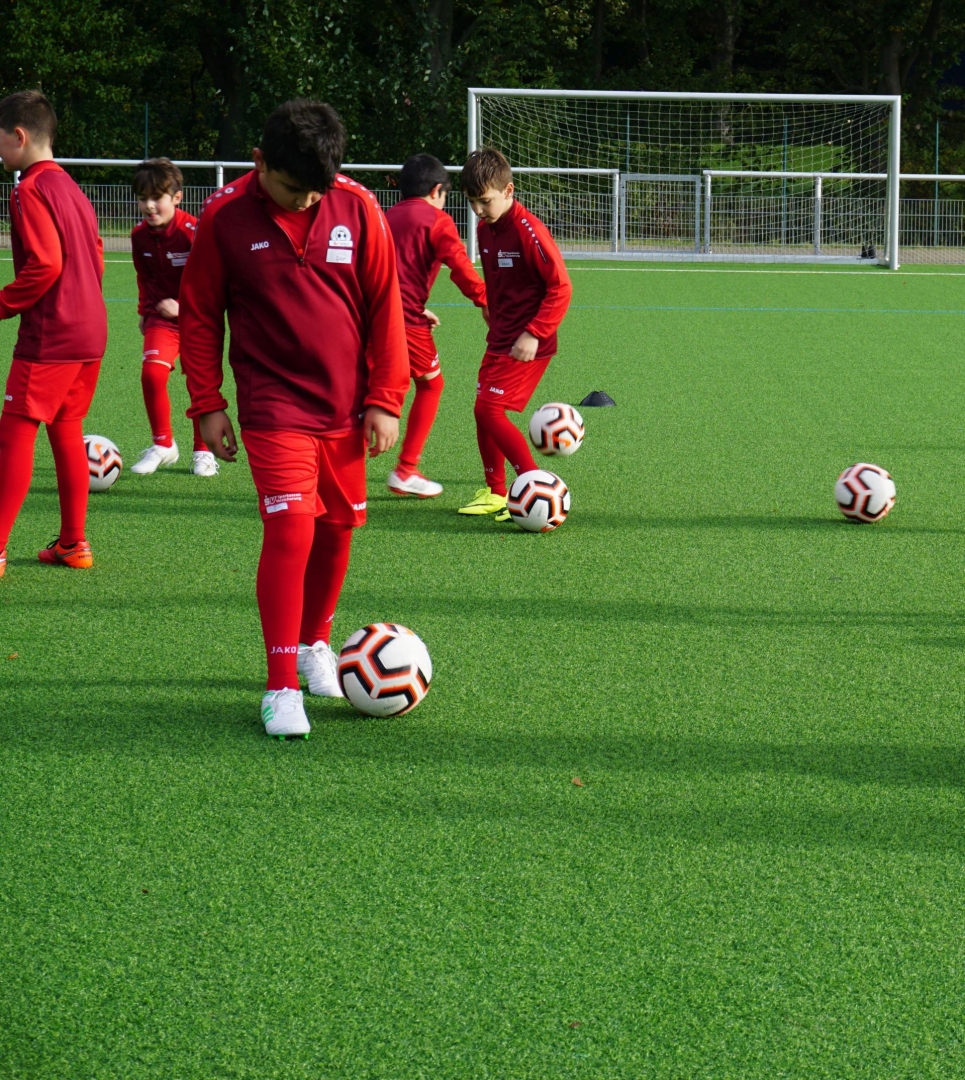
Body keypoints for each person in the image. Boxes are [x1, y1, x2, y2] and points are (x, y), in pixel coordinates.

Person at [179, 99, 409, 739]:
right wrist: (207, 403)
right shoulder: (223, 216)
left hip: (346, 406)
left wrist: (387, 396)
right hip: (273, 404)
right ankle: (280, 685)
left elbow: (386, 304)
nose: (305, 201)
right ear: (259, 162)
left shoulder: (359, 207)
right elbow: (200, 316)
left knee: (337, 529)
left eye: (316, 192)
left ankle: (315, 646)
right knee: (291, 531)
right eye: (290, 188)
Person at [0, 90, 107, 577]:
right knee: (66, 430)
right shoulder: (71, 187)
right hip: (90, 329)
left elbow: (45, 264)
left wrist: (3, 303)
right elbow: (97, 254)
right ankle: (73, 543)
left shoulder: (29, 188)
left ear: (19, 136)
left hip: (52, 334)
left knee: (14, 434)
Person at [457, 148, 573, 520]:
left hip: (529, 342)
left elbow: (561, 287)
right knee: (482, 410)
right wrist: (490, 310)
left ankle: (534, 486)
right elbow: (499, 281)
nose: (478, 210)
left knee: (489, 410)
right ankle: (495, 492)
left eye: (485, 201)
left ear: (509, 191)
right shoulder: (484, 228)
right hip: (501, 336)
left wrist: (534, 333)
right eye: (472, 202)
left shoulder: (528, 230)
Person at [384, 153, 487, 497]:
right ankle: (406, 469)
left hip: (368, 315)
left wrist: (416, 305)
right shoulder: (437, 220)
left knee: (366, 391)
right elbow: (460, 267)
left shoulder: (384, 217)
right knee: (430, 385)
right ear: (436, 190)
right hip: (403, 321)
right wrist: (485, 301)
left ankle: (323, 470)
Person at [129, 158, 217, 477]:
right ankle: (163, 444)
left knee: (199, 384)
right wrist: (144, 310)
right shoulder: (139, 236)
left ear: (177, 197)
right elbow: (144, 276)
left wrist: (184, 307)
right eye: (143, 198)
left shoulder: (194, 232)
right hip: (160, 319)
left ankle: (203, 452)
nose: (149, 206)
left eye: (157, 198)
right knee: (152, 374)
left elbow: (212, 282)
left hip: (197, 319)